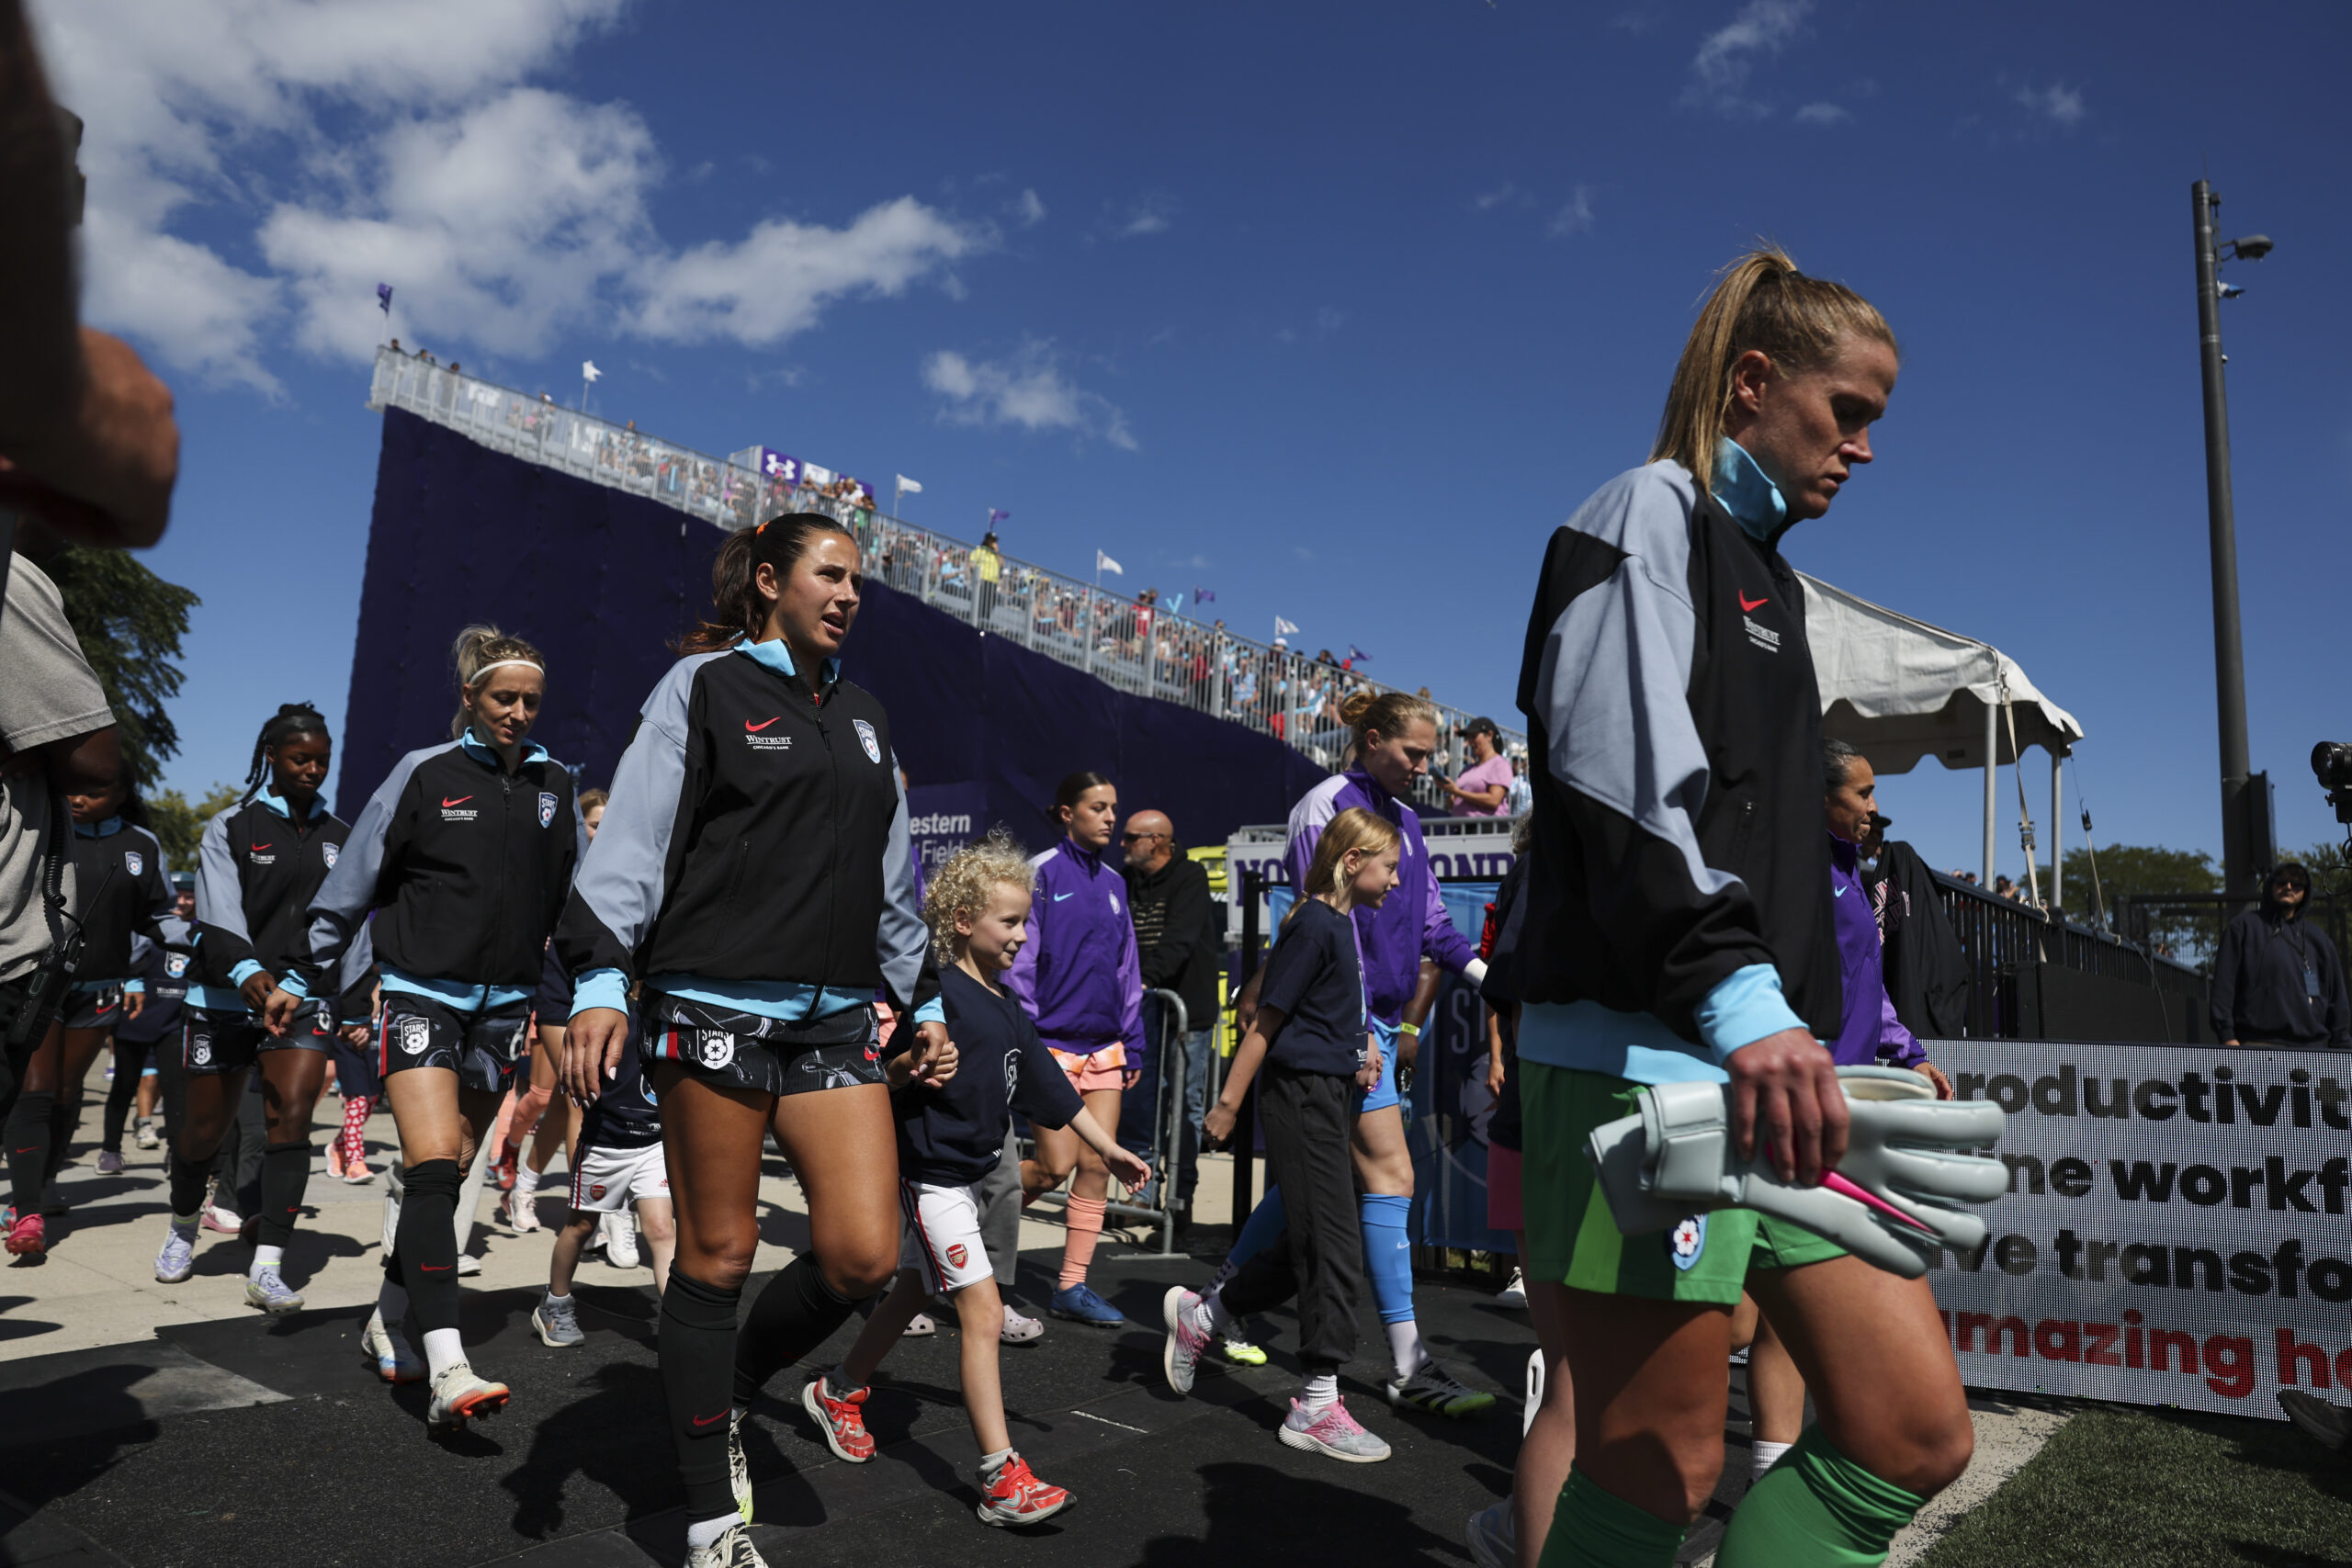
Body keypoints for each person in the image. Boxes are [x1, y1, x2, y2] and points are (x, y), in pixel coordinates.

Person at [1497, 247, 1971, 1568]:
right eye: (1850, 410)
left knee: (1913, 1430)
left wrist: (1849, 1050)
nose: (1865, 447)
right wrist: (1750, 1006)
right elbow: (1621, 786)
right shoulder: (1643, 510)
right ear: (1754, 382)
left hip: (1772, 1071)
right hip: (1636, 1063)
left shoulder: (1776, 579)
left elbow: (1769, 861)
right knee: (1659, 1470)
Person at [557, 511, 950, 1568]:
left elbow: (890, 886)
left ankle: (729, 1387)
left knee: (864, 1256)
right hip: (709, 1005)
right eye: (831, 574)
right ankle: (709, 1523)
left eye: (857, 580)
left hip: (831, 1019)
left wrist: (929, 1005)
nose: (851, 594)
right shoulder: (704, 688)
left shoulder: (866, 717)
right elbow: (631, 842)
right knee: (719, 1255)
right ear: (770, 582)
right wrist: (599, 977)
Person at [267, 628, 581, 1427]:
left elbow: (575, 904)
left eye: (530, 700)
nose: (517, 712)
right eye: (502, 697)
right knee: (436, 1162)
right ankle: (448, 1365)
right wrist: (309, 978)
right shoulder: (422, 772)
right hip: (419, 993)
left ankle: (386, 1313)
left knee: (455, 1167)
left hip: (504, 1008)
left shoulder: (555, 784)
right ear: (471, 699)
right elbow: (351, 884)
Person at [809, 834, 1148, 1527]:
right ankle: (1000, 1477)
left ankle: (838, 1388)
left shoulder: (1005, 1006)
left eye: (1027, 922)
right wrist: (910, 1069)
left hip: (975, 1176)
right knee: (984, 1313)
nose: (1024, 935)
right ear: (963, 920)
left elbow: (1054, 1090)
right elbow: (885, 1073)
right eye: (1011, 921)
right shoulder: (934, 993)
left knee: (911, 1290)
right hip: (932, 1180)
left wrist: (1109, 1148)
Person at [1227, 690, 1495, 1417]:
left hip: (1368, 1027)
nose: (1423, 765)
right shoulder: (1326, 806)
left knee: (1326, 1184)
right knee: (1388, 1174)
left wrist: (1488, 980)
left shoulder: (1406, 821)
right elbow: (1327, 915)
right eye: (1412, 751)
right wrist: (1359, 1034)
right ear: (1371, 738)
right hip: (1344, 1029)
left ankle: (1215, 1303)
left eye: (1429, 752)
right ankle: (1405, 1360)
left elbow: (1435, 923)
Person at [1163, 807, 1401, 1462]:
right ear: (1353, 860)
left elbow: (1321, 1014)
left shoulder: (1337, 924)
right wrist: (1230, 1103)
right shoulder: (1316, 923)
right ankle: (1316, 1404)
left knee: (1318, 1241)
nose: (1396, 881)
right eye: (1389, 867)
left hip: (1330, 1095)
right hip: (1299, 1100)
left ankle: (1206, 1315)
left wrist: (1361, 1048)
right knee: (1331, 1247)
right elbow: (1265, 1022)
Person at [153, 705, 366, 1313]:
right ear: (271, 755)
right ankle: (182, 1224)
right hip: (226, 998)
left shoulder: (341, 838)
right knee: (202, 1133)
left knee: (292, 1120)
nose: (313, 768)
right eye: (301, 757)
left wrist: (349, 1003)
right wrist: (251, 975)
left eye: (322, 759)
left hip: (303, 1001)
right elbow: (219, 914)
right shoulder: (232, 825)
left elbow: (350, 925)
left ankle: (267, 1264)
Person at [0, 766, 171, 1247]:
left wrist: (207, 944)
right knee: (36, 1086)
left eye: (96, 790)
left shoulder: (142, 845)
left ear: (122, 792)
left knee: (67, 1091)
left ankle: (46, 1181)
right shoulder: (41, 828)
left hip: (101, 989)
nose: (80, 799)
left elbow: (155, 916)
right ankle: (27, 1209)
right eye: (75, 789)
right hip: (39, 980)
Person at [1005, 770, 1145, 1327]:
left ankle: (1072, 1286)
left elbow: (1126, 968)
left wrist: (1131, 1042)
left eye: (1114, 807)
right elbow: (1018, 965)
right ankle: (953, 1238)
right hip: (1051, 1046)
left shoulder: (1115, 882)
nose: (1111, 816)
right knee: (1052, 1168)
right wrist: (1030, 1039)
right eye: (1098, 807)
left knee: (1096, 1163)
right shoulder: (1039, 874)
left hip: (1104, 1045)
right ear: (1067, 813)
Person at [532, 983, 674, 1348]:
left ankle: (679, 1322)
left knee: (661, 1229)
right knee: (580, 1226)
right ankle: (555, 1303)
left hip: (653, 1142)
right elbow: (574, 1078)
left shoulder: (675, 1014)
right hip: (605, 1143)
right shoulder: (607, 1013)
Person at [503, 788, 609, 1236]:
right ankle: (592, 1214)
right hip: (555, 990)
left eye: (608, 827)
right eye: (593, 825)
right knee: (570, 1099)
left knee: (571, 1106)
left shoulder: (618, 869)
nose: (600, 835)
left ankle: (525, 1184)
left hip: (602, 990)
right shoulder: (559, 865)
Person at [1120, 808, 1218, 1223]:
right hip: (1142, 1009)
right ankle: (1142, 1193)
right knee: (1143, 1103)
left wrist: (1144, 981)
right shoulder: (1123, 880)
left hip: (1184, 1015)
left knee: (1185, 1106)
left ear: (1156, 841)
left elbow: (1179, 940)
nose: (1121, 843)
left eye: (1130, 837)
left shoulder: (1190, 877)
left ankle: (1180, 1197)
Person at [104, 873, 194, 1167]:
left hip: (173, 1022)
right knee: (124, 1085)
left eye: (189, 895)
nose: (183, 901)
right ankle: (111, 1150)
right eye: (178, 895)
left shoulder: (197, 933)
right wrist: (131, 982)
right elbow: (128, 961)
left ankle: (177, 1153)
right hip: (136, 1019)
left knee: (175, 1088)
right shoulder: (147, 928)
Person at [2211, 862, 2351, 1047]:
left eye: (2297, 883)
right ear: (2271, 885)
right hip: (2256, 1044)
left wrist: (2342, 1047)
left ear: (2306, 891)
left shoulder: (2320, 941)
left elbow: (2338, 1000)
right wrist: (2227, 1036)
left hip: (2313, 1048)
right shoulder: (2242, 928)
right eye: (2282, 881)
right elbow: (2223, 986)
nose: (2289, 887)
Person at [1442, 718, 1514, 818]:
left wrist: (1457, 792)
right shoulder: (1467, 769)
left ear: (1489, 735)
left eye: (1474, 736)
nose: (1470, 742)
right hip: (1461, 829)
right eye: (1468, 738)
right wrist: (1448, 790)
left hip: (1487, 830)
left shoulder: (1499, 764)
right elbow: (1453, 804)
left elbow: (1494, 800)